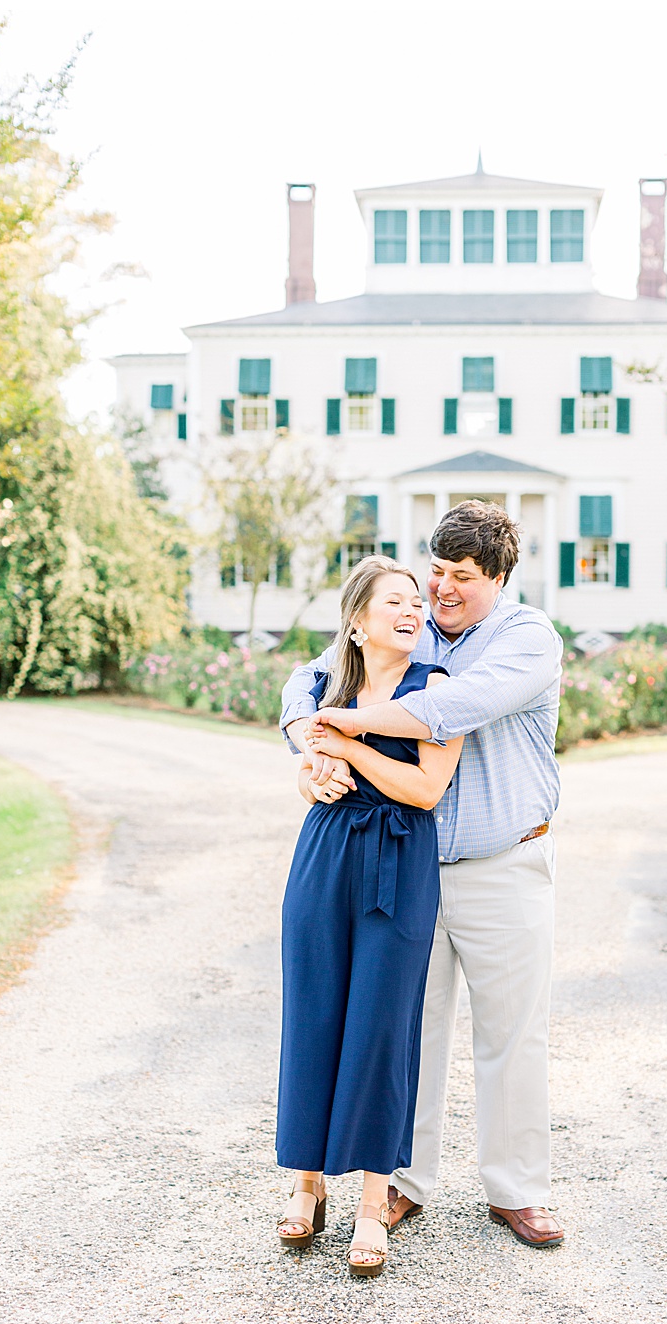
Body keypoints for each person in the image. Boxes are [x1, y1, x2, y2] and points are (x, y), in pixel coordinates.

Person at [280, 500, 566, 1252]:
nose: (441, 590)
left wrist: (340, 726)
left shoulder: (526, 638)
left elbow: (451, 707)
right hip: (408, 867)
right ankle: (402, 1182)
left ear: (500, 577)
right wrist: (303, 740)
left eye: (461, 578)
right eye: (435, 571)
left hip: (503, 861)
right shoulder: (414, 625)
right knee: (406, 1030)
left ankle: (517, 1191)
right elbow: (310, 678)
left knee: (512, 1034)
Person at [274, 554, 462, 1277]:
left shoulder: (438, 688)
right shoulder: (321, 687)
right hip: (324, 856)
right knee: (313, 1015)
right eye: (395, 601)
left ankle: (372, 1204)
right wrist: (310, 770)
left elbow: (423, 788)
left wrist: (345, 745)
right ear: (357, 623)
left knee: (383, 1027)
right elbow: (308, 759)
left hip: (400, 862)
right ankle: (307, 1185)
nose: (413, 610)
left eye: (416, 601)